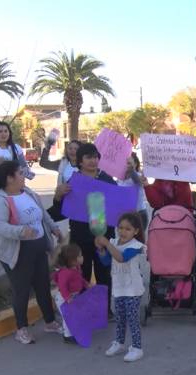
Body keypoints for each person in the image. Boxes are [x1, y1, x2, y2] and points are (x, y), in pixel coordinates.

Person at [0, 160, 64, 344]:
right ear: (9, 178)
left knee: (43, 286)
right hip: (18, 252)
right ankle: (21, 328)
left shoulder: (27, 192)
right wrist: (20, 231)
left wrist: (54, 228)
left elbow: (42, 214)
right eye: (20, 173)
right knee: (21, 291)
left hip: (38, 247)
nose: (24, 176)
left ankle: (50, 322)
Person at [54, 143, 116, 313]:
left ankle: (104, 310)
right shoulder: (73, 181)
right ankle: (83, 310)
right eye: (88, 157)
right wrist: (58, 195)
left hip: (103, 238)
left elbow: (116, 207)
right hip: (80, 238)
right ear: (80, 161)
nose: (93, 161)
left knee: (104, 274)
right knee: (80, 275)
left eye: (95, 157)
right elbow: (60, 212)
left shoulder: (107, 180)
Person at [96, 213, 147, 362]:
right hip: (118, 288)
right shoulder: (114, 242)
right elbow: (106, 261)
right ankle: (119, 342)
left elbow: (121, 258)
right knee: (120, 318)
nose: (123, 232)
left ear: (136, 231)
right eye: (120, 228)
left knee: (132, 319)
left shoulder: (136, 246)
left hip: (133, 290)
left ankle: (137, 348)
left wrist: (107, 244)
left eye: (128, 229)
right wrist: (101, 249)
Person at [51, 243, 91, 344]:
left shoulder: (76, 268)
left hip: (72, 296)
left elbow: (79, 279)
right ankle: (68, 336)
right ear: (72, 260)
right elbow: (62, 286)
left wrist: (86, 284)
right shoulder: (65, 273)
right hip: (63, 299)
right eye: (80, 256)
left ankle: (73, 331)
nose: (82, 257)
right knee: (68, 317)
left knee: (72, 315)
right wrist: (67, 298)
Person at [118, 153, 149, 229]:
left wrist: (132, 171)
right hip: (125, 214)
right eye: (125, 163)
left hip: (139, 214)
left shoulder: (137, 176)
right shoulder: (120, 178)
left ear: (135, 164)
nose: (126, 165)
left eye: (129, 163)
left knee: (137, 240)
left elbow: (139, 182)